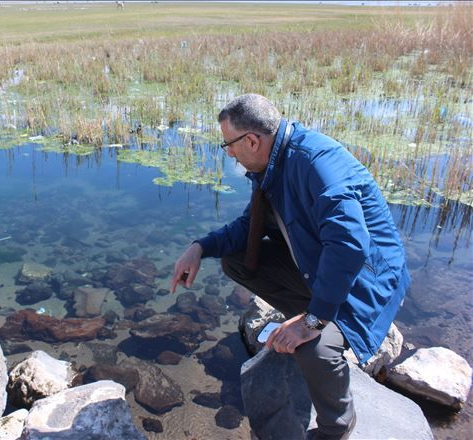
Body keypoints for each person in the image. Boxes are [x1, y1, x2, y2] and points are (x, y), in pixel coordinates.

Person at [170, 94, 410, 440]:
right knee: (237, 261)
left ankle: (337, 426)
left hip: (368, 280)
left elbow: (350, 244)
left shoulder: (315, 163)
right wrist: (200, 247)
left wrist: (313, 321)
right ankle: (313, 316)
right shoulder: (274, 162)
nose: (229, 153)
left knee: (314, 349)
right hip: (326, 264)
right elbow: (250, 225)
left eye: (229, 145)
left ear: (251, 140)